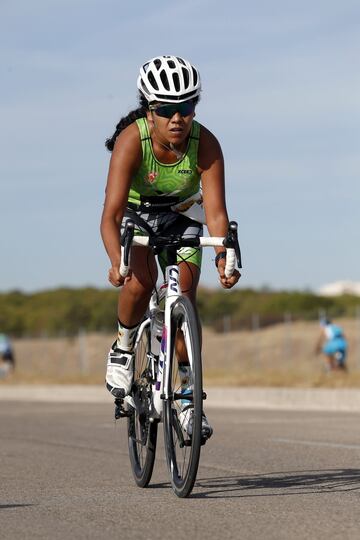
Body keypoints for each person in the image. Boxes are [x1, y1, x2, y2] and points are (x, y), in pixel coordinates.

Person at [100, 55, 241, 439]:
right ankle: (124, 347)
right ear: (149, 110)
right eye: (165, 110)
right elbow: (110, 215)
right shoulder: (132, 141)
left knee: (183, 303)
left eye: (186, 107)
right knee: (140, 282)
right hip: (137, 216)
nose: (177, 118)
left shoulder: (205, 143)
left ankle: (187, 398)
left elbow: (216, 213)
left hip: (183, 216)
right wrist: (117, 261)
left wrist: (223, 258)